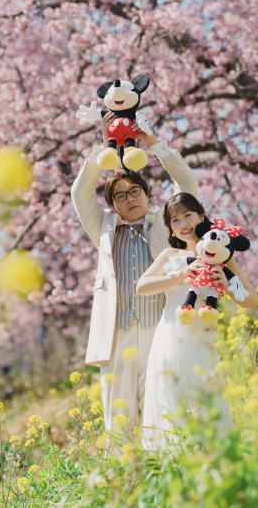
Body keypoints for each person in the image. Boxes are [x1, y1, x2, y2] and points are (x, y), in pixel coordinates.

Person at [70, 112, 198, 431]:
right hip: (117, 333)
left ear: (147, 194)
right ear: (112, 205)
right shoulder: (103, 228)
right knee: (119, 417)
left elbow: (187, 185)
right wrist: (105, 148)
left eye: (134, 192)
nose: (129, 199)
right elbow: (79, 194)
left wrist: (154, 144)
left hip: (159, 328)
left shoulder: (165, 224)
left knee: (161, 410)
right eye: (120, 196)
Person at [136, 193, 258, 449]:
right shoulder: (170, 254)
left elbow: (252, 300)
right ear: (170, 228)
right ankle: (172, 460)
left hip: (201, 339)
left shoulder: (222, 255)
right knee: (170, 394)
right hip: (170, 334)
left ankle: (209, 458)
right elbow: (142, 286)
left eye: (188, 215)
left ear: (201, 216)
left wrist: (228, 286)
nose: (183, 224)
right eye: (175, 220)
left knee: (204, 396)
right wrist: (180, 276)